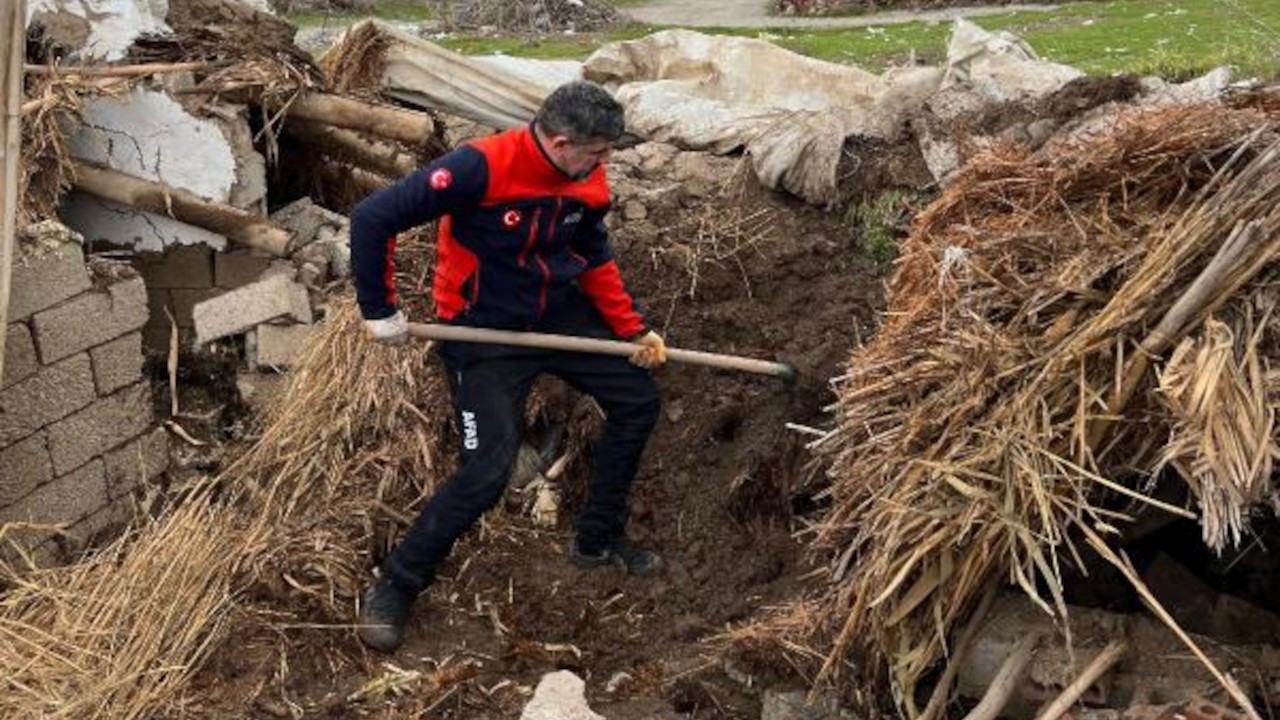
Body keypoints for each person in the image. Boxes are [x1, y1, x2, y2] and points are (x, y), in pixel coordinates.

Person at [348, 80, 667, 653]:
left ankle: (596, 538)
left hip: (558, 318)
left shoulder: (583, 175)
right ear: (561, 141)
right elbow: (373, 218)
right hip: (483, 333)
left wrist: (630, 328)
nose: (605, 164)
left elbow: (592, 257)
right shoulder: (479, 168)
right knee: (486, 474)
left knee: (637, 400)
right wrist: (379, 309)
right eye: (597, 153)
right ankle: (396, 584)